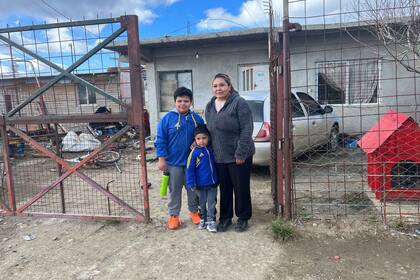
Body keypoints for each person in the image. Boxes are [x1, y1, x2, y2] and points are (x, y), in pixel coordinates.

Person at [205, 73, 255, 232]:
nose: (218, 88)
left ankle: (243, 217)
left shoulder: (239, 103)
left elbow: (247, 129)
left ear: (229, 86)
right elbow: (210, 130)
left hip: (238, 156)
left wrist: (240, 153)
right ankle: (225, 218)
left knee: (241, 188)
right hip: (220, 156)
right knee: (225, 188)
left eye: (221, 85)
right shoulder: (210, 105)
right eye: (215, 86)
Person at [155, 87, 204, 230]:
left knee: (193, 189)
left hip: (192, 163)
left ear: (191, 102)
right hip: (173, 163)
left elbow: (204, 135)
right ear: (175, 102)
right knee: (174, 190)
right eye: (179, 101)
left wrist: (197, 141)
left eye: (186, 101)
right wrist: (161, 159)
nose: (183, 104)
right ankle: (174, 216)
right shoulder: (167, 119)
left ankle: (194, 212)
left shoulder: (197, 119)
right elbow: (160, 140)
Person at [186, 125, 219, 233]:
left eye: (204, 138)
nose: (201, 141)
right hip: (200, 185)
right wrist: (191, 183)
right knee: (202, 203)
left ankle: (211, 222)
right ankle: (203, 220)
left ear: (208, 138)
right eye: (198, 139)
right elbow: (189, 169)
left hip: (212, 183)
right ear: (195, 140)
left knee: (211, 203)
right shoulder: (194, 153)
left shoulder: (211, 150)